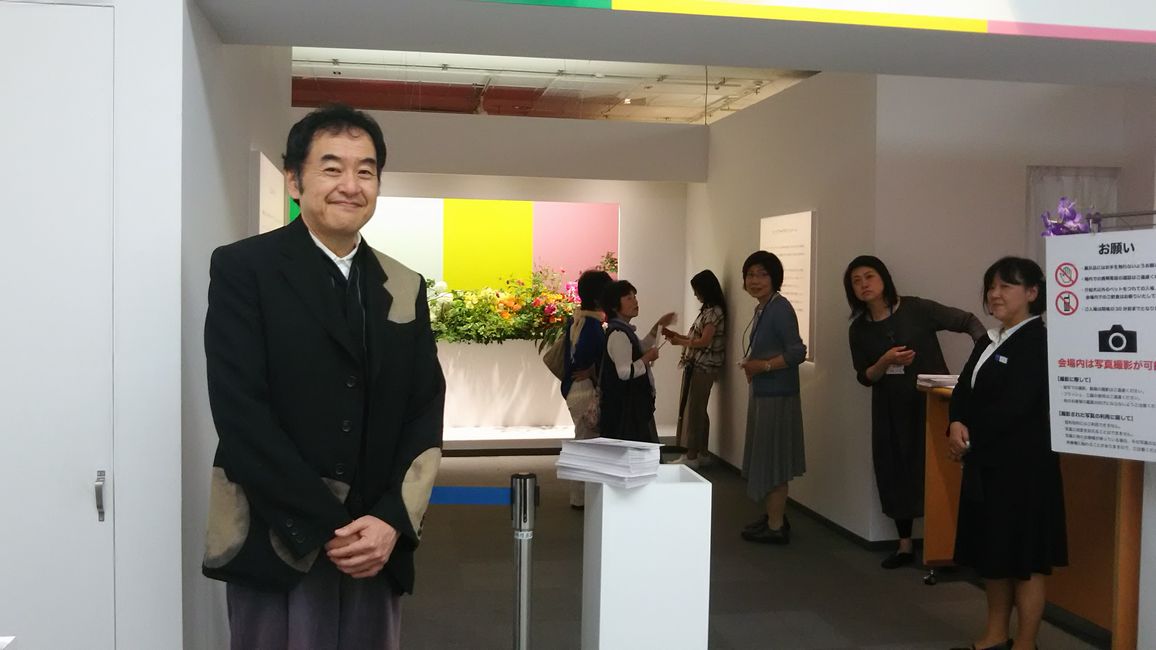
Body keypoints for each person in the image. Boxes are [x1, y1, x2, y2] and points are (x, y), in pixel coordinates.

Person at [202, 105, 445, 650]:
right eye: (332, 168)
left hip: (374, 543)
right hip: (277, 531)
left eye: (366, 171)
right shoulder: (246, 269)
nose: (350, 185)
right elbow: (241, 413)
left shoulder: (403, 284)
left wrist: (389, 520)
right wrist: (327, 524)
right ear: (295, 180)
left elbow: (424, 408)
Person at [947, 257, 1067, 650]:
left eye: (1006, 286)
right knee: (994, 555)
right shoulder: (990, 339)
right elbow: (964, 389)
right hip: (987, 465)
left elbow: (1016, 406)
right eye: (991, 287)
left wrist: (970, 438)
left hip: (1024, 469)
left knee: (1025, 562)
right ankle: (995, 636)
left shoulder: (1038, 342)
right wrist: (956, 421)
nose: (994, 294)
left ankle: (1025, 643)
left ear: (1032, 293)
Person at [844, 255, 986, 569]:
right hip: (890, 410)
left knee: (942, 468)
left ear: (883, 278)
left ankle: (953, 546)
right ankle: (905, 545)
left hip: (932, 405)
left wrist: (981, 357)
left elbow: (967, 321)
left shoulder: (916, 309)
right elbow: (865, 377)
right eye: (856, 281)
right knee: (895, 472)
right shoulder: (859, 330)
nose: (864, 284)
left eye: (869, 276)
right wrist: (885, 361)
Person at [739, 251, 806, 545]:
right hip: (765, 393)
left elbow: (797, 352)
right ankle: (772, 517)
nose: (755, 281)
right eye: (751, 275)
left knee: (775, 461)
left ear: (775, 278)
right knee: (766, 457)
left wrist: (763, 366)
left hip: (778, 396)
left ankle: (776, 526)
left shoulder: (780, 308)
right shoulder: (764, 307)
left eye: (762, 274)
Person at [662, 269, 727, 468]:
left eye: (697, 290)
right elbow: (697, 339)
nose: (695, 294)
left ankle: (691, 456)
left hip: (704, 366)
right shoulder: (709, 311)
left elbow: (703, 341)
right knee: (699, 410)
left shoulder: (714, 312)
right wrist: (676, 337)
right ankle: (702, 453)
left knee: (695, 410)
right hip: (699, 365)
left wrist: (680, 341)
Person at [598, 280, 675, 443]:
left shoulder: (622, 330)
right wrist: (647, 358)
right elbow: (625, 372)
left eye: (635, 296)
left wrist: (657, 327)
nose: (635, 301)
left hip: (630, 407)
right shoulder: (619, 334)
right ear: (614, 306)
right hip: (627, 410)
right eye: (629, 298)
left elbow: (639, 348)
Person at [561, 269, 613, 509]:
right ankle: (581, 498)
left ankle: (581, 496)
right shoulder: (592, 325)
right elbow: (593, 359)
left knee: (584, 440)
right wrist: (593, 370)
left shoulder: (577, 320)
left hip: (573, 388)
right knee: (587, 443)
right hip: (585, 389)